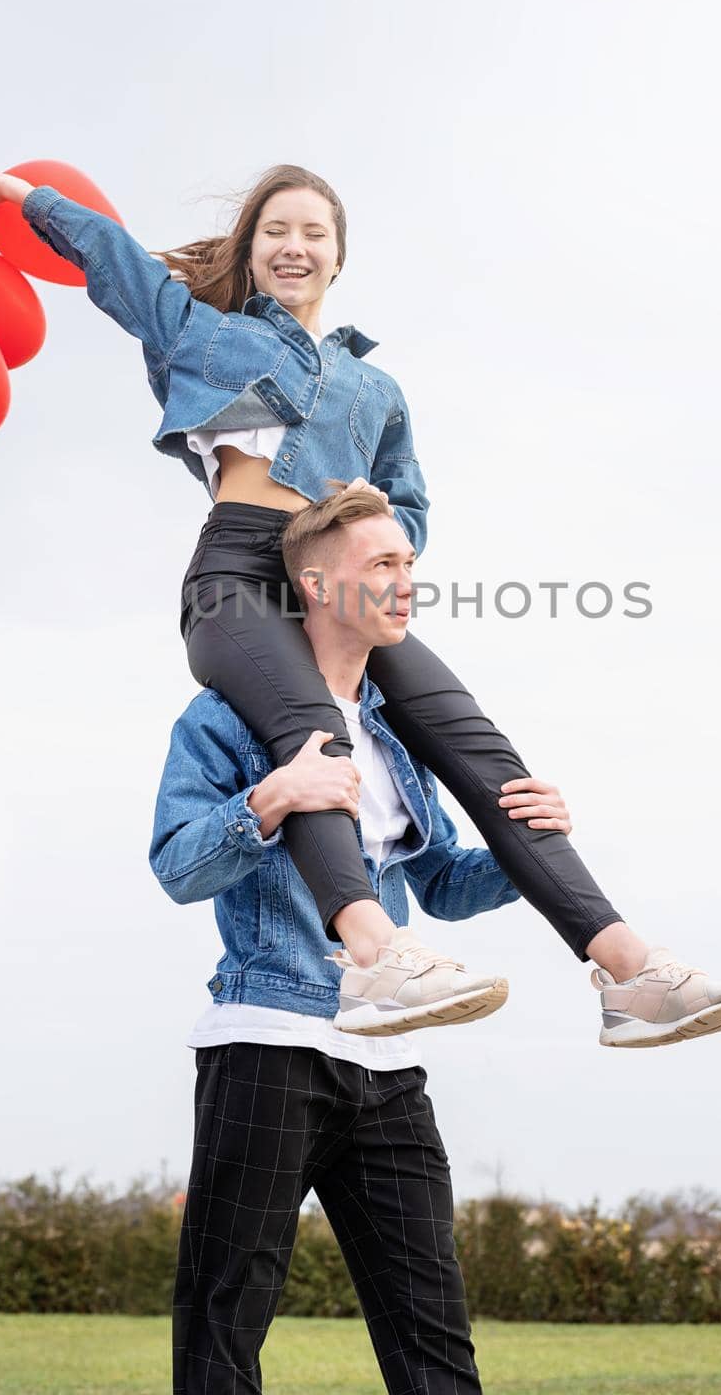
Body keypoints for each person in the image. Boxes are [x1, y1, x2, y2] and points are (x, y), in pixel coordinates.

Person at [0, 169, 721, 1048]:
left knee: (478, 746)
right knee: (310, 726)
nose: (294, 246)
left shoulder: (377, 392)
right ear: (252, 251)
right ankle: (374, 955)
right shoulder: (200, 331)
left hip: (341, 577)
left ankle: (631, 970)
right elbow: (110, 258)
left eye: (314, 234)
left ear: (339, 256)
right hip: (239, 575)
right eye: (275, 231)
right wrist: (20, 197)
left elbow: (410, 505)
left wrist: (362, 531)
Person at [151, 487, 536, 1392]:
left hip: (385, 1056)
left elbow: (437, 883)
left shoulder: (396, 737)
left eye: (410, 566)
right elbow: (176, 866)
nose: (408, 585)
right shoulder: (225, 718)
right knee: (224, 1318)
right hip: (267, 1043)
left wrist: (528, 849)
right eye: (385, 567)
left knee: (432, 1325)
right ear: (318, 584)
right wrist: (271, 800)